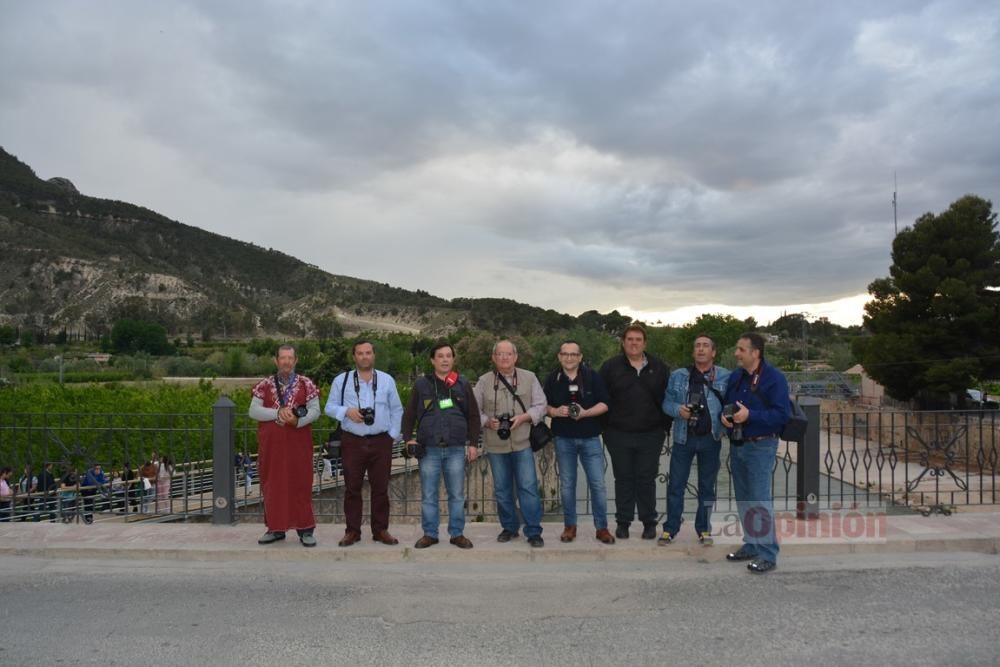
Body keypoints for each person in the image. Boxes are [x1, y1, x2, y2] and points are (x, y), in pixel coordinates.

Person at [720, 332, 791, 574]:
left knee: (759, 499)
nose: (736, 353)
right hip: (738, 443)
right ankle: (751, 544)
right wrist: (725, 416)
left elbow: (781, 415)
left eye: (741, 349)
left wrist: (750, 416)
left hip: (762, 445)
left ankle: (768, 553)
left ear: (755, 353)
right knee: (744, 497)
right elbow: (728, 404)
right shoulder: (737, 377)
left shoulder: (774, 378)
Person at [324, 340, 404, 547]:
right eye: (360, 353)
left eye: (368, 353)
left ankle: (380, 530)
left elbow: (397, 409)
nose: (364, 357)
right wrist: (346, 412)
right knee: (352, 489)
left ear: (374, 355)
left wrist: (392, 436)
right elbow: (329, 407)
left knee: (381, 488)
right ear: (354, 356)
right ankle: (352, 531)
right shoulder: (341, 381)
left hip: (380, 441)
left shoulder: (387, 380)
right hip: (352, 441)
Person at [402, 341, 481, 549]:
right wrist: (407, 438)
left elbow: (473, 415)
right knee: (429, 495)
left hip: (456, 448)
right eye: (440, 356)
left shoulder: (462, 384)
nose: (445, 359)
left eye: (448, 356)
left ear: (453, 359)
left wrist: (473, 443)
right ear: (432, 360)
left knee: (456, 494)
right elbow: (409, 414)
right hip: (428, 449)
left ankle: (457, 534)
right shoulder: (421, 385)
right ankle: (430, 534)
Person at [599, 323, 670, 540]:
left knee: (646, 478)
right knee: (623, 478)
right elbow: (601, 398)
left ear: (644, 343)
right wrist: (606, 429)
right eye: (630, 339)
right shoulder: (610, 367)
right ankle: (623, 522)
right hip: (618, 433)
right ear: (623, 342)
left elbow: (667, 399)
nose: (634, 343)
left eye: (638, 339)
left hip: (651, 434)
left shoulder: (659, 368)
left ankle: (649, 522)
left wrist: (664, 428)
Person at [659, 334, 731, 546]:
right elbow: (666, 402)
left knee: (707, 486)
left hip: (711, 438)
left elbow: (732, 402)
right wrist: (677, 410)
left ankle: (704, 529)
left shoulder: (724, 376)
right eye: (697, 345)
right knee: (676, 485)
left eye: (705, 346)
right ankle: (670, 528)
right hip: (684, 437)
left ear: (713, 352)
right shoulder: (679, 375)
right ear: (693, 352)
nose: (701, 349)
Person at [474, 340, 547, 547]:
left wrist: (524, 417)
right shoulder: (484, 381)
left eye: (508, 354)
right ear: (493, 358)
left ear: (516, 357)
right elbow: (472, 411)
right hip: (496, 446)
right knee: (503, 490)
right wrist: (488, 422)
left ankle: (533, 531)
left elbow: (541, 405)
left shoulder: (529, 377)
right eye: (500, 354)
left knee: (528, 488)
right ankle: (509, 528)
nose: (504, 358)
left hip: (523, 443)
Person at [249, 344, 322, 547]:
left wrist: (297, 421)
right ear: (276, 361)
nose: (287, 362)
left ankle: (305, 529)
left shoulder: (307, 384)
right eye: (283, 358)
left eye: (290, 358)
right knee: (273, 485)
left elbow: (315, 411)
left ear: (296, 360)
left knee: (301, 484)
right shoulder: (264, 385)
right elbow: (253, 411)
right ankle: (275, 528)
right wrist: (279, 413)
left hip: (299, 446)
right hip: (272, 448)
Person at [543, 340, 615, 544]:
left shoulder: (593, 377)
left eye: (573, 354)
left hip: (591, 437)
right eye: (565, 354)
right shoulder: (552, 379)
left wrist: (585, 413)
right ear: (559, 356)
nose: (569, 357)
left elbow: (605, 404)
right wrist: (555, 411)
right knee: (567, 485)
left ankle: (601, 528)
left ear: (580, 357)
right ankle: (569, 526)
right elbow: (542, 405)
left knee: (598, 485)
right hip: (563, 438)